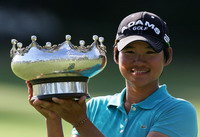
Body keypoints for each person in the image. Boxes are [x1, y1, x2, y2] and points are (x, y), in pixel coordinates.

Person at [27, 11, 198, 137]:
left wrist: (80, 121)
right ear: (116, 54)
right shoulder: (93, 108)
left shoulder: (179, 111)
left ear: (167, 56)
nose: (139, 60)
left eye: (150, 52)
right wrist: (53, 118)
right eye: (129, 51)